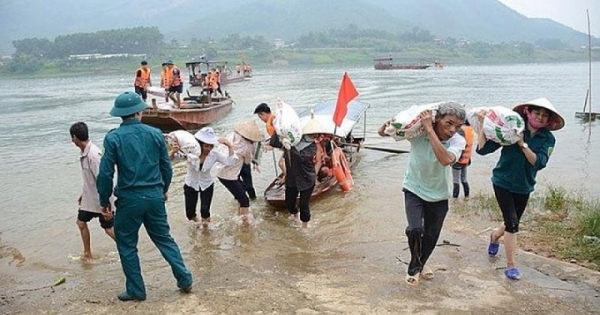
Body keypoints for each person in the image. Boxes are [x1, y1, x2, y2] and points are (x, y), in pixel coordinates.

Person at [97, 92, 193, 301]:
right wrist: (164, 189)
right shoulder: (156, 133)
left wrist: (104, 201)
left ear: (120, 115)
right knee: (164, 239)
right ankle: (184, 278)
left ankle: (136, 290)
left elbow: (105, 174)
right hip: (154, 197)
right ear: (139, 112)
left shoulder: (112, 137)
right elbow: (165, 166)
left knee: (126, 244)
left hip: (129, 200)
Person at [378, 102, 466, 285]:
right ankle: (414, 265)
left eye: (457, 126)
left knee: (432, 235)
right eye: (448, 123)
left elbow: (445, 160)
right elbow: (382, 133)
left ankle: (420, 263)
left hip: (439, 194)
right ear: (437, 119)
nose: (452, 129)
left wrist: (430, 131)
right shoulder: (417, 133)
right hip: (414, 188)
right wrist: (387, 124)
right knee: (415, 229)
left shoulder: (458, 140)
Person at [476, 98, 564, 280]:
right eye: (536, 113)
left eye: (544, 116)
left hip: (524, 186)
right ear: (527, 112)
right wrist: (483, 125)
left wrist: (522, 143)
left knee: (512, 222)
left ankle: (494, 236)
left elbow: (538, 163)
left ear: (548, 121)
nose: (539, 118)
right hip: (502, 182)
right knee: (512, 224)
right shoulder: (512, 128)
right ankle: (511, 266)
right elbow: (484, 150)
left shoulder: (548, 139)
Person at [169, 127, 236, 228]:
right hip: (191, 184)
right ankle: (197, 227)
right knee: (190, 213)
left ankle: (206, 233)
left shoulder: (214, 155)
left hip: (207, 184)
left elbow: (230, 162)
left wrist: (229, 146)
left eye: (210, 146)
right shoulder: (189, 153)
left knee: (205, 211)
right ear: (199, 144)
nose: (208, 149)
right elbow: (170, 160)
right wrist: (174, 151)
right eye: (206, 146)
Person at [70, 122, 115, 261]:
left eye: (72, 138)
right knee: (81, 222)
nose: (72, 140)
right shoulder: (85, 153)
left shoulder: (93, 155)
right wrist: (84, 194)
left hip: (101, 200)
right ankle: (87, 254)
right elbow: (91, 179)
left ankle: (127, 248)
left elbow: (102, 179)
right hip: (90, 199)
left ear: (75, 137)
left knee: (108, 229)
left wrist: (106, 205)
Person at [269, 118, 321, 229]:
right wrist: (277, 128)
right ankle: (294, 215)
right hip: (292, 178)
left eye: (315, 134)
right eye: (312, 133)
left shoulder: (312, 146)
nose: (314, 135)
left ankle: (305, 226)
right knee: (289, 202)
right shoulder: (291, 140)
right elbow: (273, 142)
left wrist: (289, 146)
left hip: (306, 179)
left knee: (304, 205)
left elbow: (302, 157)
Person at [216, 120, 264, 224]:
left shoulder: (232, 136)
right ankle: (245, 224)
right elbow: (247, 161)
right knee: (245, 201)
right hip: (230, 176)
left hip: (220, 170)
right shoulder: (247, 147)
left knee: (241, 191)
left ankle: (240, 215)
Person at [254, 103, 285, 181]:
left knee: (281, 164)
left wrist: (265, 147)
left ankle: (287, 178)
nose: (261, 120)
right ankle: (286, 177)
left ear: (263, 114)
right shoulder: (273, 118)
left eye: (260, 117)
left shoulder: (273, 120)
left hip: (286, 146)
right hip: (283, 145)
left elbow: (275, 140)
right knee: (282, 163)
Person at [452, 121, 474, 199]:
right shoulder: (470, 129)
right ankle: (467, 196)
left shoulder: (461, 130)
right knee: (464, 179)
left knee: (456, 180)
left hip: (459, 160)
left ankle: (455, 199)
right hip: (466, 160)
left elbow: (461, 145)